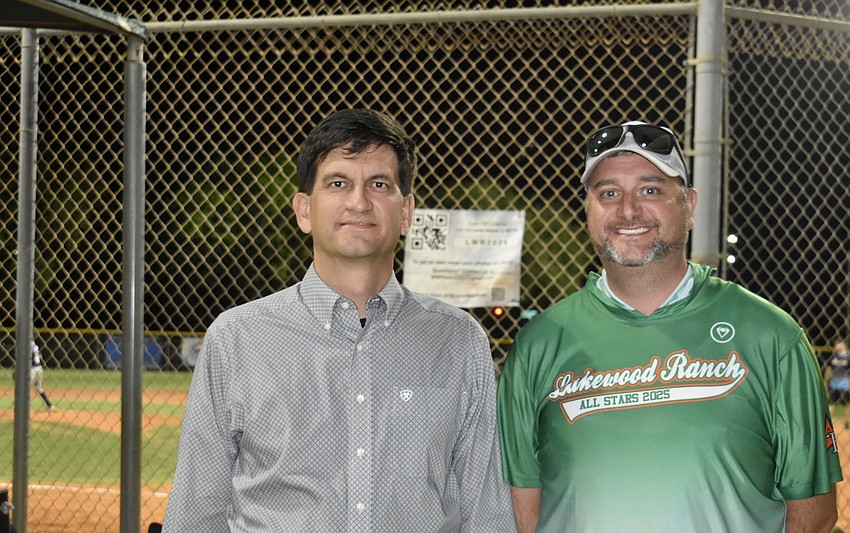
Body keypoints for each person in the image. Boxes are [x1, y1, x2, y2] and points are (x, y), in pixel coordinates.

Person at [163, 109, 515, 532]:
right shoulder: (237, 338)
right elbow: (196, 513)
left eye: (379, 184)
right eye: (337, 183)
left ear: (406, 214)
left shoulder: (459, 341)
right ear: (304, 210)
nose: (359, 202)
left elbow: (487, 515)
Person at [497, 120, 842, 532]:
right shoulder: (539, 344)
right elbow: (521, 511)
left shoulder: (771, 335)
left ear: (690, 206)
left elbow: (815, 513)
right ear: (588, 210)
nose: (628, 210)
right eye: (608, 193)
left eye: (650, 190)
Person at [30, 341, 53, 410]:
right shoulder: (35, 345)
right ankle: (49, 405)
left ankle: (21, 406)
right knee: (38, 388)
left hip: (32, 369)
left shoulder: (27, 345)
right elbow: (40, 356)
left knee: (24, 387)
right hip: (39, 368)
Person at [827, 339, 850, 404]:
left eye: (837, 344)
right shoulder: (834, 356)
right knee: (830, 403)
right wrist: (826, 380)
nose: (835, 346)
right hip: (833, 384)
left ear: (843, 344)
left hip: (846, 384)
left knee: (847, 405)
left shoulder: (848, 356)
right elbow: (829, 368)